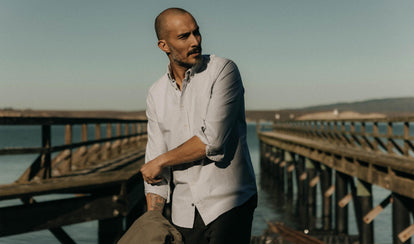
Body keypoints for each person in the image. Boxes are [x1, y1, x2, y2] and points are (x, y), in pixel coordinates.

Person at [140, 7, 257, 244]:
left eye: (197, 32)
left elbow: (211, 141)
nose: (195, 41)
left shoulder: (223, 70)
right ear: (164, 46)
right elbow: (154, 165)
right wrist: (152, 220)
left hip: (229, 204)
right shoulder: (156, 93)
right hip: (183, 212)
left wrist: (160, 161)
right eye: (184, 36)